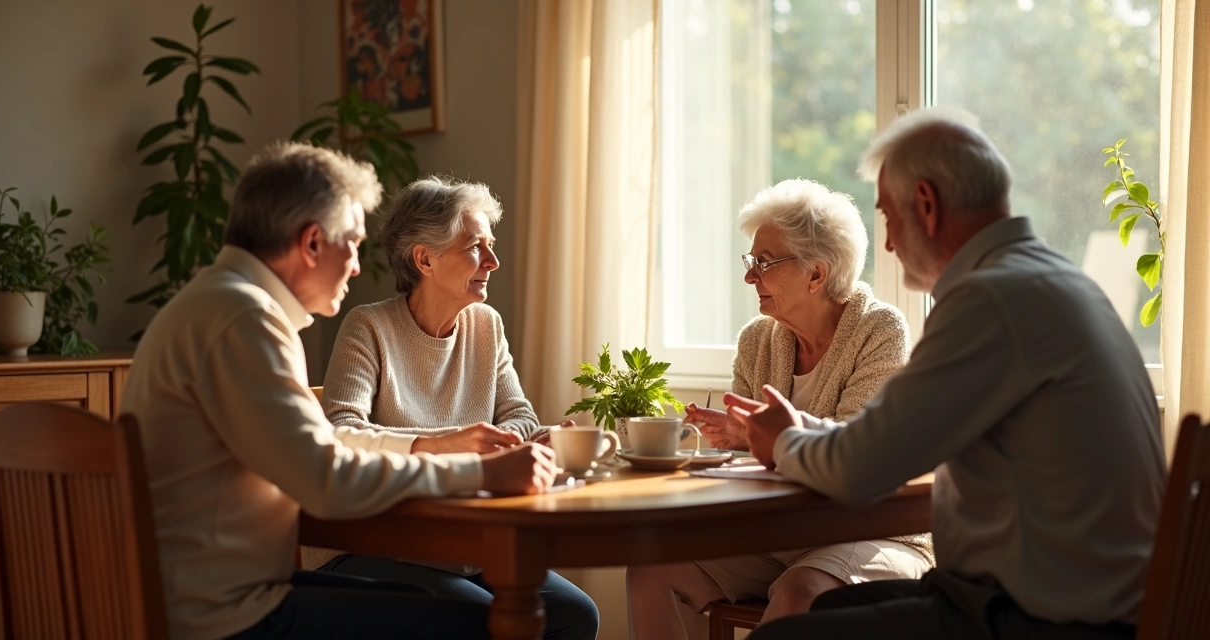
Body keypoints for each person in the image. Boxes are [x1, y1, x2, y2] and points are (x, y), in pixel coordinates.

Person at [727, 107, 1166, 640]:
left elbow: (864, 470)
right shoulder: (1053, 283)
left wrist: (784, 443)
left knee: (786, 631)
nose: (887, 243)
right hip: (1073, 603)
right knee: (813, 608)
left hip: (1043, 620)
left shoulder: (990, 301)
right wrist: (800, 429)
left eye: (888, 216)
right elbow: (889, 436)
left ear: (927, 205)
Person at [120, 143, 559, 640]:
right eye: (350, 242)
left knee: (446, 607)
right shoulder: (245, 319)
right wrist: (474, 469)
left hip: (217, 594)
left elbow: (319, 456)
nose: (355, 265)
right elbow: (324, 478)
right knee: (479, 626)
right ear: (311, 243)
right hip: (222, 616)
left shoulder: (217, 303)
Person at [626, 179, 933, 639]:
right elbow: (746, 463)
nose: (750, 277)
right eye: (751, 262)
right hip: (782, 536)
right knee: (651, 570)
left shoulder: (879, 329)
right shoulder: (756, 340)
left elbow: (857, 449)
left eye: (764, 263)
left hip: (873, 532)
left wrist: (757, 438)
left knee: (798, 591)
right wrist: (734, 441)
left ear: (816, 274)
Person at [312, 176, 600, 640]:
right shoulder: (368, 327)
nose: (494, 261)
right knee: (484, 620)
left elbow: (518, 415)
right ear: (424, 258)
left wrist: (530, 438)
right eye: (475, 247)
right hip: (372, 544)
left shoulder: (485, 325)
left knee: (575, 614)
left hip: (463, 546)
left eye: (491, 245)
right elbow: (341, 430)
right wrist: (453, 444)